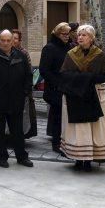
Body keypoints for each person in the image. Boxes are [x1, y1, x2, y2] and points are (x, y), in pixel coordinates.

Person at [58, 24, 105, 170]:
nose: (80, 37)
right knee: (78, 128)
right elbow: (64, 74)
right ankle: (77, 158)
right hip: (75, 95)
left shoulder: (99, 54)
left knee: (92, 127)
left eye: (84, 35)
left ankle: (88, 159)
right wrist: (84, 78)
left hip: (92, 96)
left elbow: (103, 75)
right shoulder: (71, 54)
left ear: (91, 38)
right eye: (79, 35)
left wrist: (86, 77)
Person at [0, 30, 33, 168]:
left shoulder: (21, 56)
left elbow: (28, 76)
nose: (6, 43)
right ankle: (1, 157)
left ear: (13, 41)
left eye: (9, 40)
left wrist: (25, 91)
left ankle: (21, 157)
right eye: (3, 40)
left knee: (18, 131)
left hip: (16, 101)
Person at [39, 22, 71, 154]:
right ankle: (56, 143)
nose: (67, 36)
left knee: (65, 116)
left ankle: (65, 141)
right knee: (57, 116)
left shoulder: (68, 47)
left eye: (68, 34)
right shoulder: (49, 48)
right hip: (55, 88)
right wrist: (57, 83)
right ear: (57, 34)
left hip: (67, 87)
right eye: (64, 34)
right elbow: (44, 70)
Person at [12, 29, 37, 139]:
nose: (13, 41)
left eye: (16, 38)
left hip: (22, 88)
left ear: (20, 40)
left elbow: (29, 71)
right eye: (12, 38)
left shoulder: (24, 53)